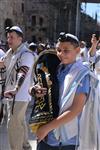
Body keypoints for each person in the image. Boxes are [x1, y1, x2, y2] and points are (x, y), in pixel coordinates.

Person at [29, 32, 90, 150]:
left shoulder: (82, 74)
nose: (61, 54)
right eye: (58, 50)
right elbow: (38, 84)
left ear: (77, 50)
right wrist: (33, 90)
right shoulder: (55, 68)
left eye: (66, 50)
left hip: (66, 140)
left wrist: (46, 128)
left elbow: (76, 109)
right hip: (47, 136)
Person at [0, 26, 34, 150]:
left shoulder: (26, 54)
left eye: (12, 37)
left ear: (20, 39)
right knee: (19, 122)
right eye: (8, 37)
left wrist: (16, 88)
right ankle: (25, 146)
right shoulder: (11, 53)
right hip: (12, 96)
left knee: (13, 125)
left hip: (18, 96)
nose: (9, 39)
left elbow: (22, 72)